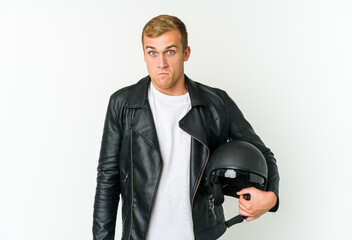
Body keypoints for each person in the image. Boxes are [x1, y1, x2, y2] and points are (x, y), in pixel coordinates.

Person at [93, 14, 279, 240]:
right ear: (144, 55)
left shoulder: (217, 104)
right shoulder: (123, 104)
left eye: (170, 51)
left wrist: (271, 197)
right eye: (153, 52)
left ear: (186, 53)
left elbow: (264, 154)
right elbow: (107, 178)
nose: (161, 63)